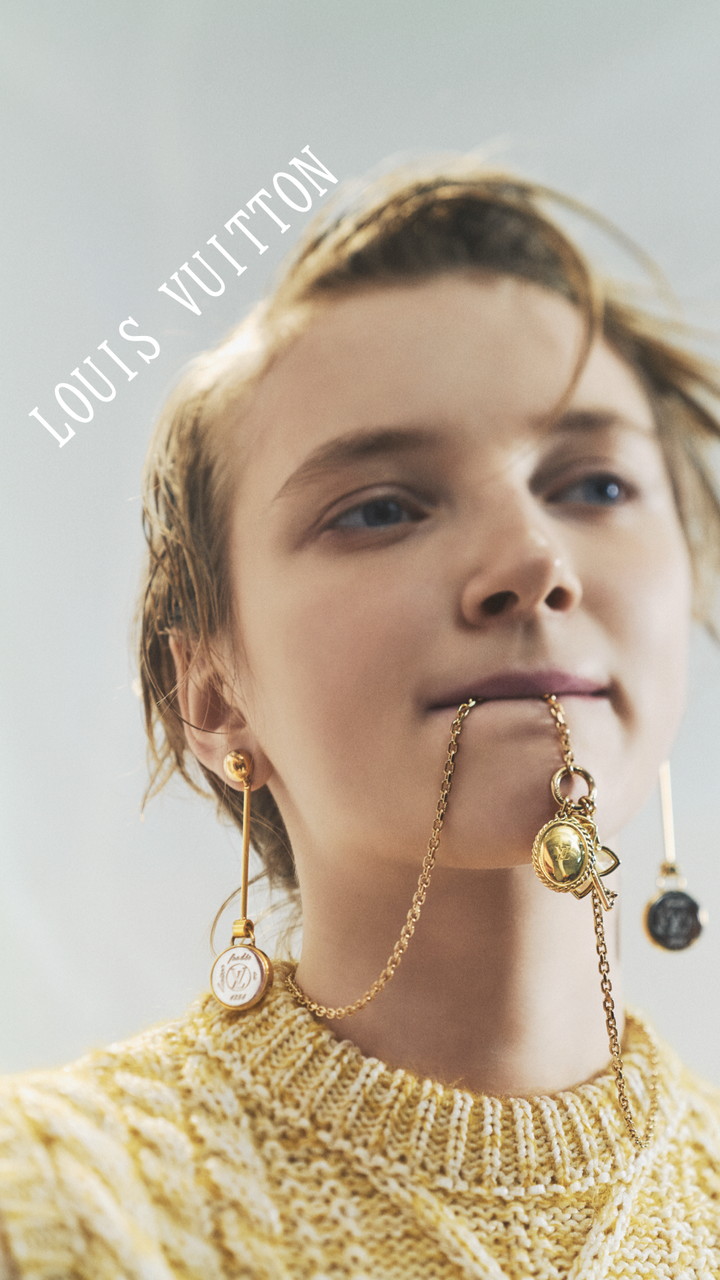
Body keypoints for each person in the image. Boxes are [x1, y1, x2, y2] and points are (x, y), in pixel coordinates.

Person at [1, 152, 720, 1278]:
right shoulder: (52, 1207)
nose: (534, 562)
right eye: (382, 508)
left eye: (594, 485)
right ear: (211, 693)